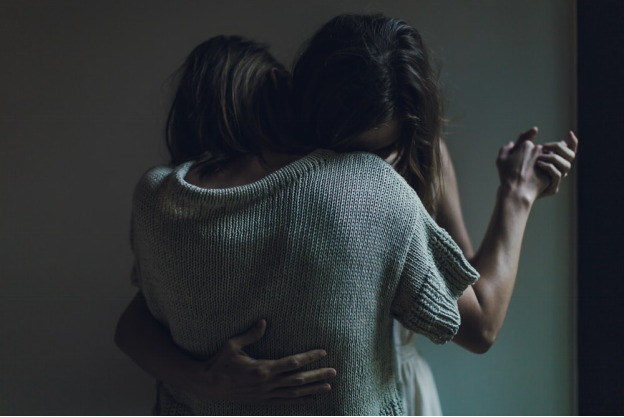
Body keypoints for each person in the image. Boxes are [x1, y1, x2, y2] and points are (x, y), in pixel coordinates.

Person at [116, 14, 577, 416]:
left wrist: (513, 194)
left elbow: (472, 302)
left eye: (376, 152)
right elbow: (142, 316)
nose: (354, 165)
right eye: (343, 147)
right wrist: (517, 195)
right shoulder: (361, 191)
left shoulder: (411, 164)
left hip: (391, 379)